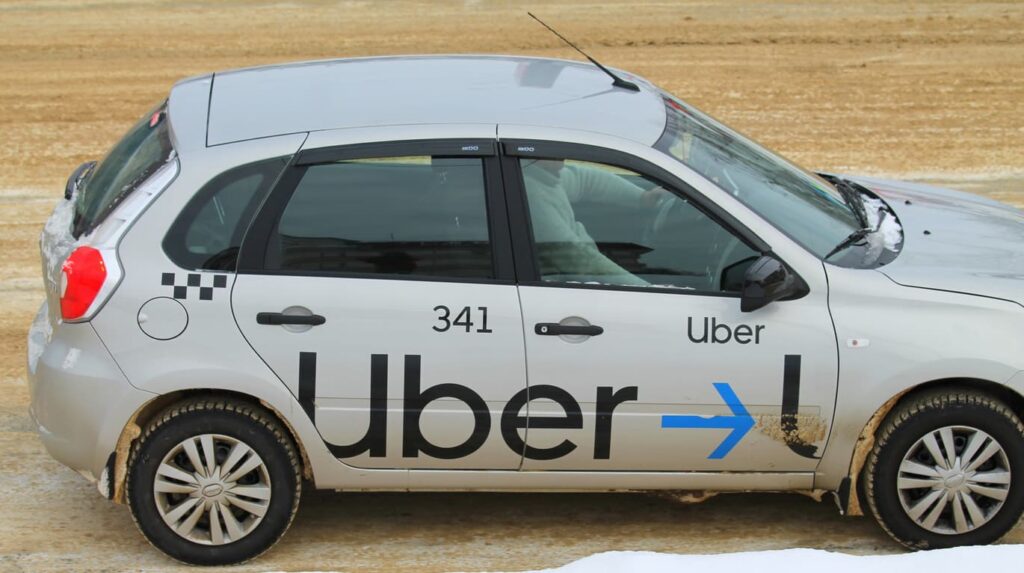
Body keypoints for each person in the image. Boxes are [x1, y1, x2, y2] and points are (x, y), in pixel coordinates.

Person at [521, 159, 667, 286]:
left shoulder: (541, 176)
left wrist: (642, 198)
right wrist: (644, 289)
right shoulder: (533, 197)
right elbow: (580, 261)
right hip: (561, 291)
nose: (563, 154)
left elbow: (586, 180)